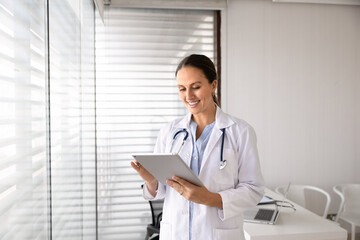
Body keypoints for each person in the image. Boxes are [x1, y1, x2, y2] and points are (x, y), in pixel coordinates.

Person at [131, 54, 264, 240]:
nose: (188, 96)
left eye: (196, 87)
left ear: (213, 85)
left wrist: (209, 198)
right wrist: (151, 180)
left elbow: (253, 189)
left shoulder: (240, 131)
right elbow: (161, 190)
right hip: (175, 233)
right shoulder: (170, 132)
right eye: (182, 89)